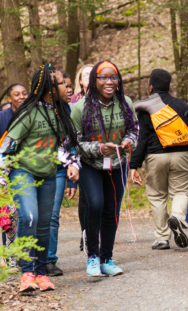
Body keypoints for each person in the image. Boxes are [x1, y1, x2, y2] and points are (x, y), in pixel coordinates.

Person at [0, 64, 80, 292]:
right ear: (49, 87)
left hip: (48, 174)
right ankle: (26, 273)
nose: (65, 86)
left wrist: (72, 165)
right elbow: (7, 147)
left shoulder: (60, 112)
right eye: (60, 83)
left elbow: (66, 145)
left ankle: (41, 273)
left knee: (44, 225)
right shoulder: (27, 112)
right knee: (30, 217)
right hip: (23, 171)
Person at [71, 61, 138, 277]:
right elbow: (74, 142)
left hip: (117, 164)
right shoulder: (80, 107)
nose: (109, 82)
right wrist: (99, 148)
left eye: (114, 77)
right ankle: (92, 256)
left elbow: (134, 129)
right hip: (91, 164)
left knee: (112, 210)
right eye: (104, 78)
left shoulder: (126, 102)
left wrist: (128, 142)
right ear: (94, 81)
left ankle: (106, 259)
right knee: (96, 205)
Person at [130, 69, 188, 250]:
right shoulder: (182, 105)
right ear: (169, 86)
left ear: (150, 87)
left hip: (155, 156)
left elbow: (141, 137)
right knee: (181, 192)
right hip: (182, 155)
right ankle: (177, 217)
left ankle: (162, 238)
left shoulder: (146, 107)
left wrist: (134, 164)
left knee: (157, 196)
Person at [46, 72, 77, 276]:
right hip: (34, 170)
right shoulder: (32, 110)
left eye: (68, 85)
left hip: (58, 170)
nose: (68, 89)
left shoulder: (66, 108)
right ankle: (27, 256)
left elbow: (70, 141)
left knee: (53, 216)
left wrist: (71, 176)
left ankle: (49, 260)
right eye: (63, 85)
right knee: (33, 216)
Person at [70, 64, 93, 250]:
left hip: (102, 154)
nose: (91, 77)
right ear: (80, 79)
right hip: (80, 156)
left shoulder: (107, 99)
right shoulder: (73, 102)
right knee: (85, 197)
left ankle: (96, 233)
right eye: (87, 74)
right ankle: (85, 233)